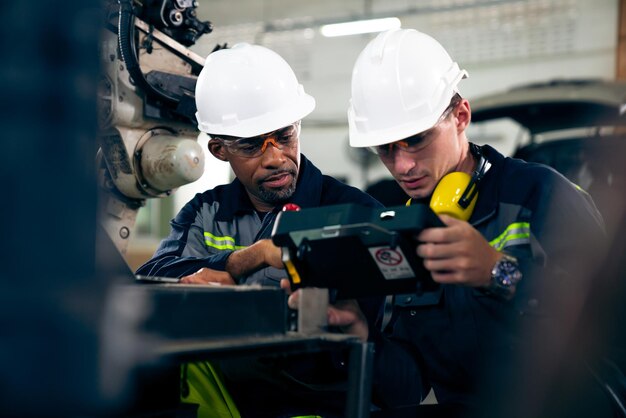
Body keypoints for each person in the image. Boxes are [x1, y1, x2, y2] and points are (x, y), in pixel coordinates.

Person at [305, 28, 607, 416]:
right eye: (385, 148)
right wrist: (360, 336)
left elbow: (607, 324)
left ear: (461, 116)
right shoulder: (407, 228)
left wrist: (499, 272)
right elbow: (406, 388)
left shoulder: (540, 193)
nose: (402, 166)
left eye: (415, 139)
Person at [136, 43, 382, 417]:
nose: (275, 157)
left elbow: (382, 338)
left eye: (284, 136)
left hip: (316, 399)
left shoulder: (353, 211)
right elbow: (153, 275)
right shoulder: (207, 211)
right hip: (230, 391)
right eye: (252, 146)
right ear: (219, 150)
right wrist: (244, 260)